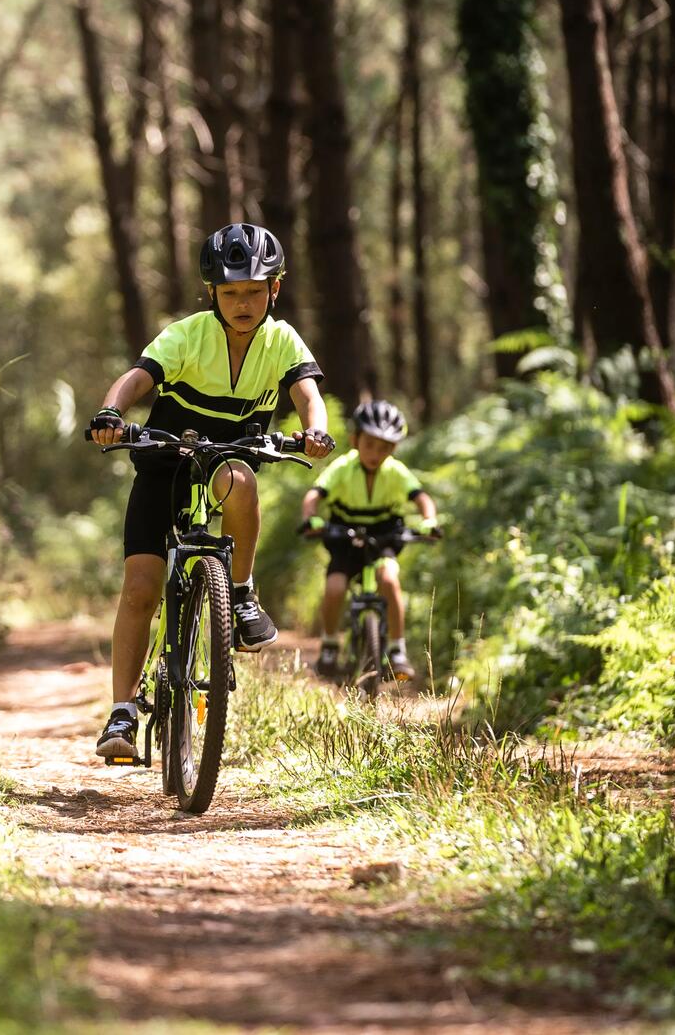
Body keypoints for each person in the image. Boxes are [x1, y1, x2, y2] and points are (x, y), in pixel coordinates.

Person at [87, 223, 335, 760]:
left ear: (274, 289)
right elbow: (137, 377)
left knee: (241, 482)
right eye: (230, 292)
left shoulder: (281, 339)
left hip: (229, 459)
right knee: (139, 588)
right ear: (212, 294)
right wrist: (112, 412)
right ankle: (122, 712)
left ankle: (240, 592)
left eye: (254, 290)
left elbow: (307, 394)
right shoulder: (188, 334)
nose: (243, 303)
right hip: (164, 460)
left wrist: (314, 429)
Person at [298, 400, 439, 680]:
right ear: (355, 440)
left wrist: (429, 521)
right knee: (336, 587)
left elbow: (421, 498)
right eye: (370, 444)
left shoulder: (396, 471)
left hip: (384, 536)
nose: (376, 453)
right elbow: (315, 495)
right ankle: (328, 644)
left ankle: (398, 650)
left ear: (394, 448)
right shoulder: (342, 467)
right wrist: (310, 517)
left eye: (385, 447)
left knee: (389, 580)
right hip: (344, 537)